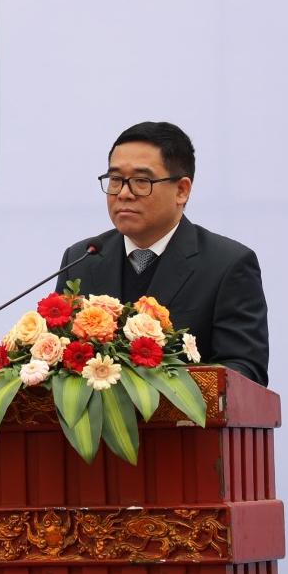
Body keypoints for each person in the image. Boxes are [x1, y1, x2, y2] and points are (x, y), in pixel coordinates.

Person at [59, 121, 269, 383]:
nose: (123, 193)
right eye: (115, 180)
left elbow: (245, 372)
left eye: (141, 181)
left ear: (181, 190)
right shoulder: (83, 258)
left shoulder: (227, 265)